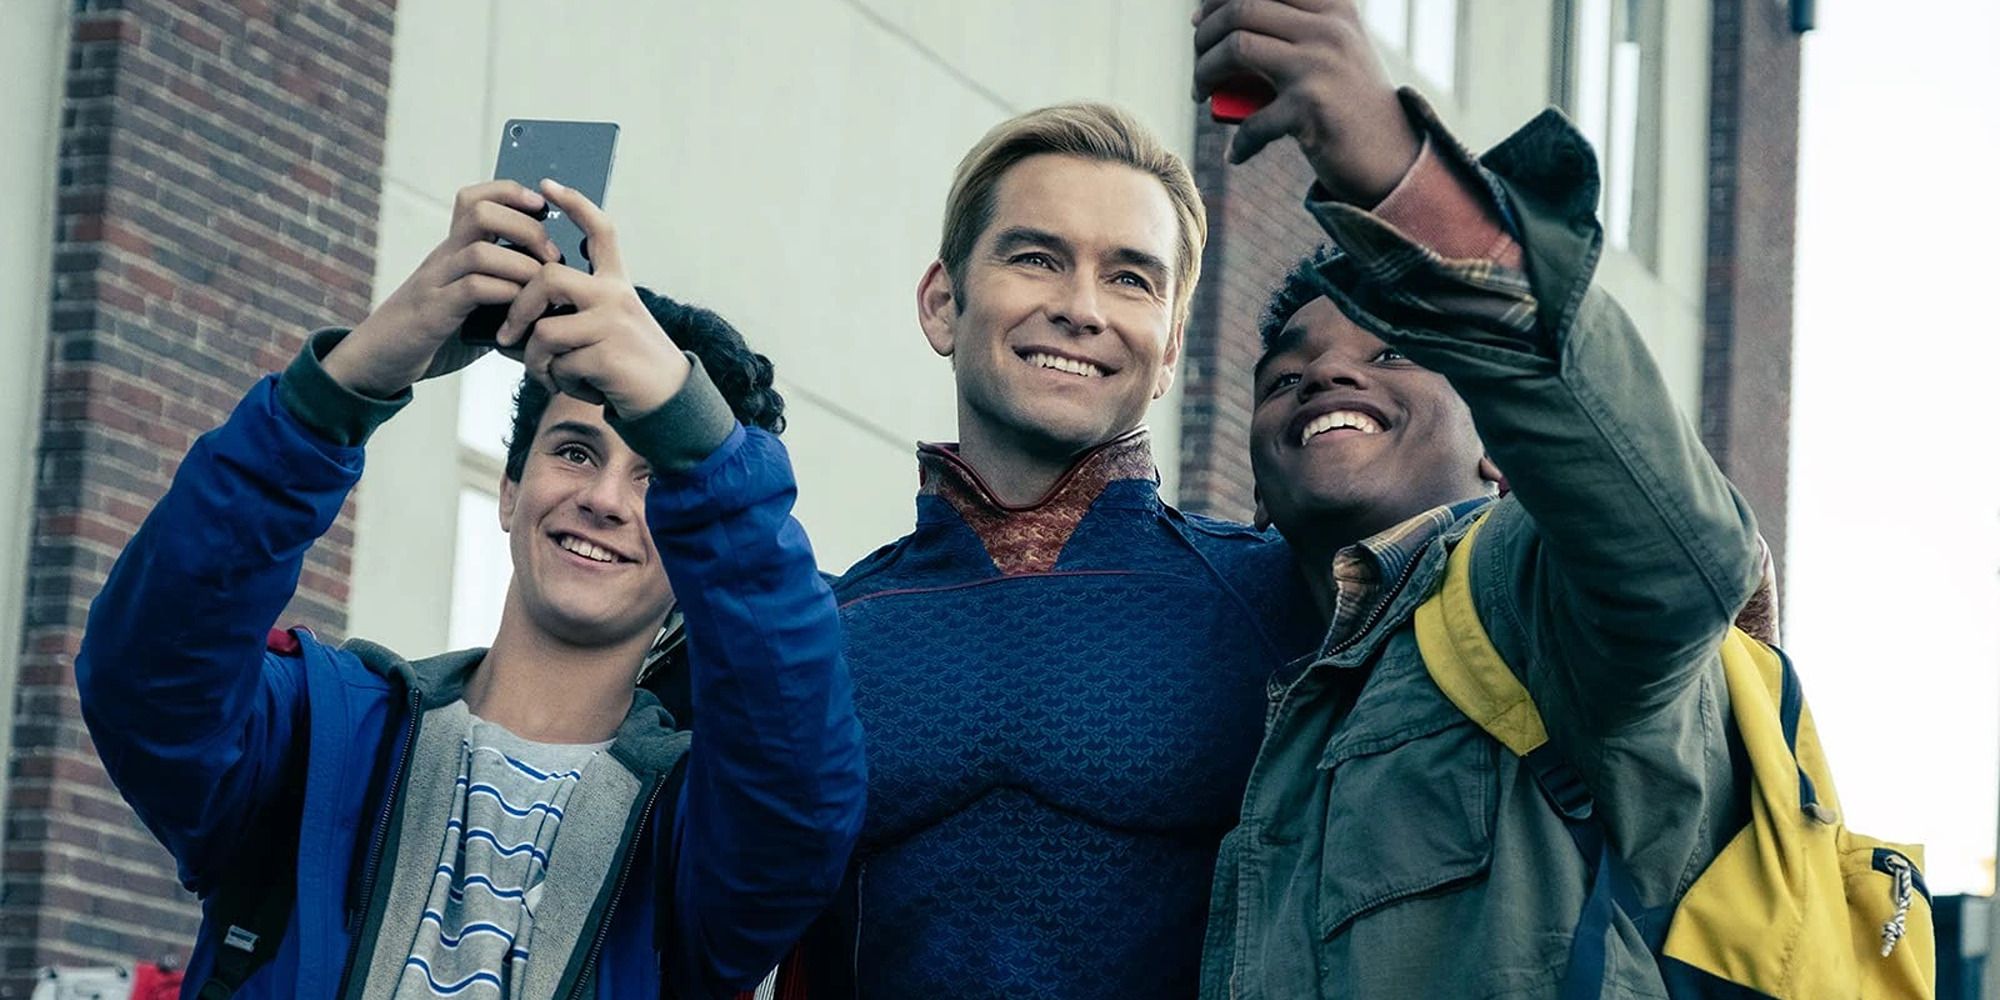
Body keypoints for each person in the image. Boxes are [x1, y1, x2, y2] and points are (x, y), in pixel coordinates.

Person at [76, 178, 866, 1000]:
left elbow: (798, 794)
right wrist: (351, 380)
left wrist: (692, 432)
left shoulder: (697, 835)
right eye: (575, 452)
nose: (603, 500)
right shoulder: (315, 737)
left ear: (698, 541)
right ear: (508, 490)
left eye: (654, 478)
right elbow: (147, 670)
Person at [1187, 1, 1766, 996]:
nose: (1325, 378)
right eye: (1284, 376)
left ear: (1500, 450)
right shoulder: (1273, 692)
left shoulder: (1532, 597)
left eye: (1392, 352)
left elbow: (1683, 567)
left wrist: (1403, 185)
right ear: (1260, 501)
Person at [789, 104, 1320, 997]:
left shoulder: (1282, 603)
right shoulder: (830, 628)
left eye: (1131, 279)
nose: (1080, 309)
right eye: (1037, 258)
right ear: (943, 303)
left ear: (1169, 350)